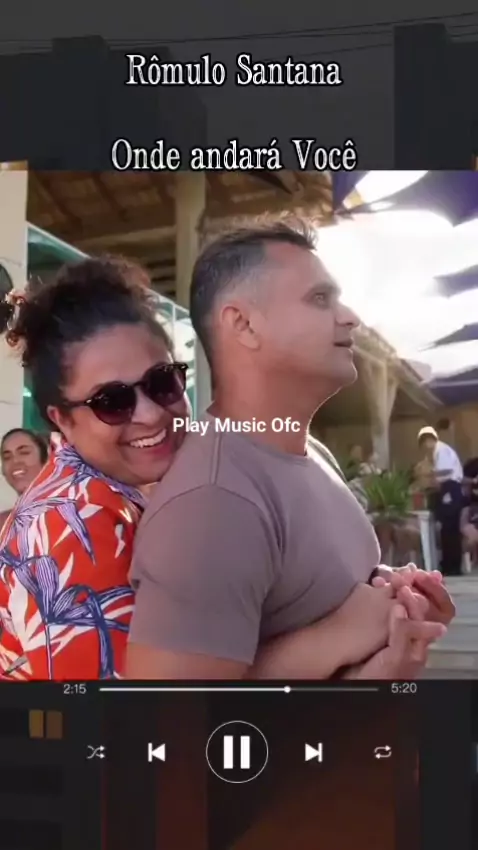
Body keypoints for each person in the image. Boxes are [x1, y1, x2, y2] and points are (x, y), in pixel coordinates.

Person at [127, 221, 454, 680]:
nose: (350, 317)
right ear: (243, 325)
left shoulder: (310, 451)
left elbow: (321, 593)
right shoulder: (212, 502)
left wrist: (395, 598)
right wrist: (339, 640)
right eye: (320, 299)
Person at [0, 258, 190, 680]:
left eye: (162, 381)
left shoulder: (141, 482)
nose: (150, 414)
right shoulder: (68, 523)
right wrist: (326, 642)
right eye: (112, 402)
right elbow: (120, 712)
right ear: (62, 420)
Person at [417, 425, 463, 575]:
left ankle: (452, 566)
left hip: (451, 489)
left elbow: (447, 470)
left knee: (449, 528)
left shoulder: (441, 450)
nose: (426, 446)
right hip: (447, 488)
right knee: (448, 529)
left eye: (426, 442)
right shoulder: (437, 452)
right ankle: (450, 565)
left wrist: (430, 474)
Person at [0, 428, 49, 528]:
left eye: (24, 452)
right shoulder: (3, 524)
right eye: (7, 457)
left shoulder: (70, 514)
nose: (15, 461)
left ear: (45, 461)